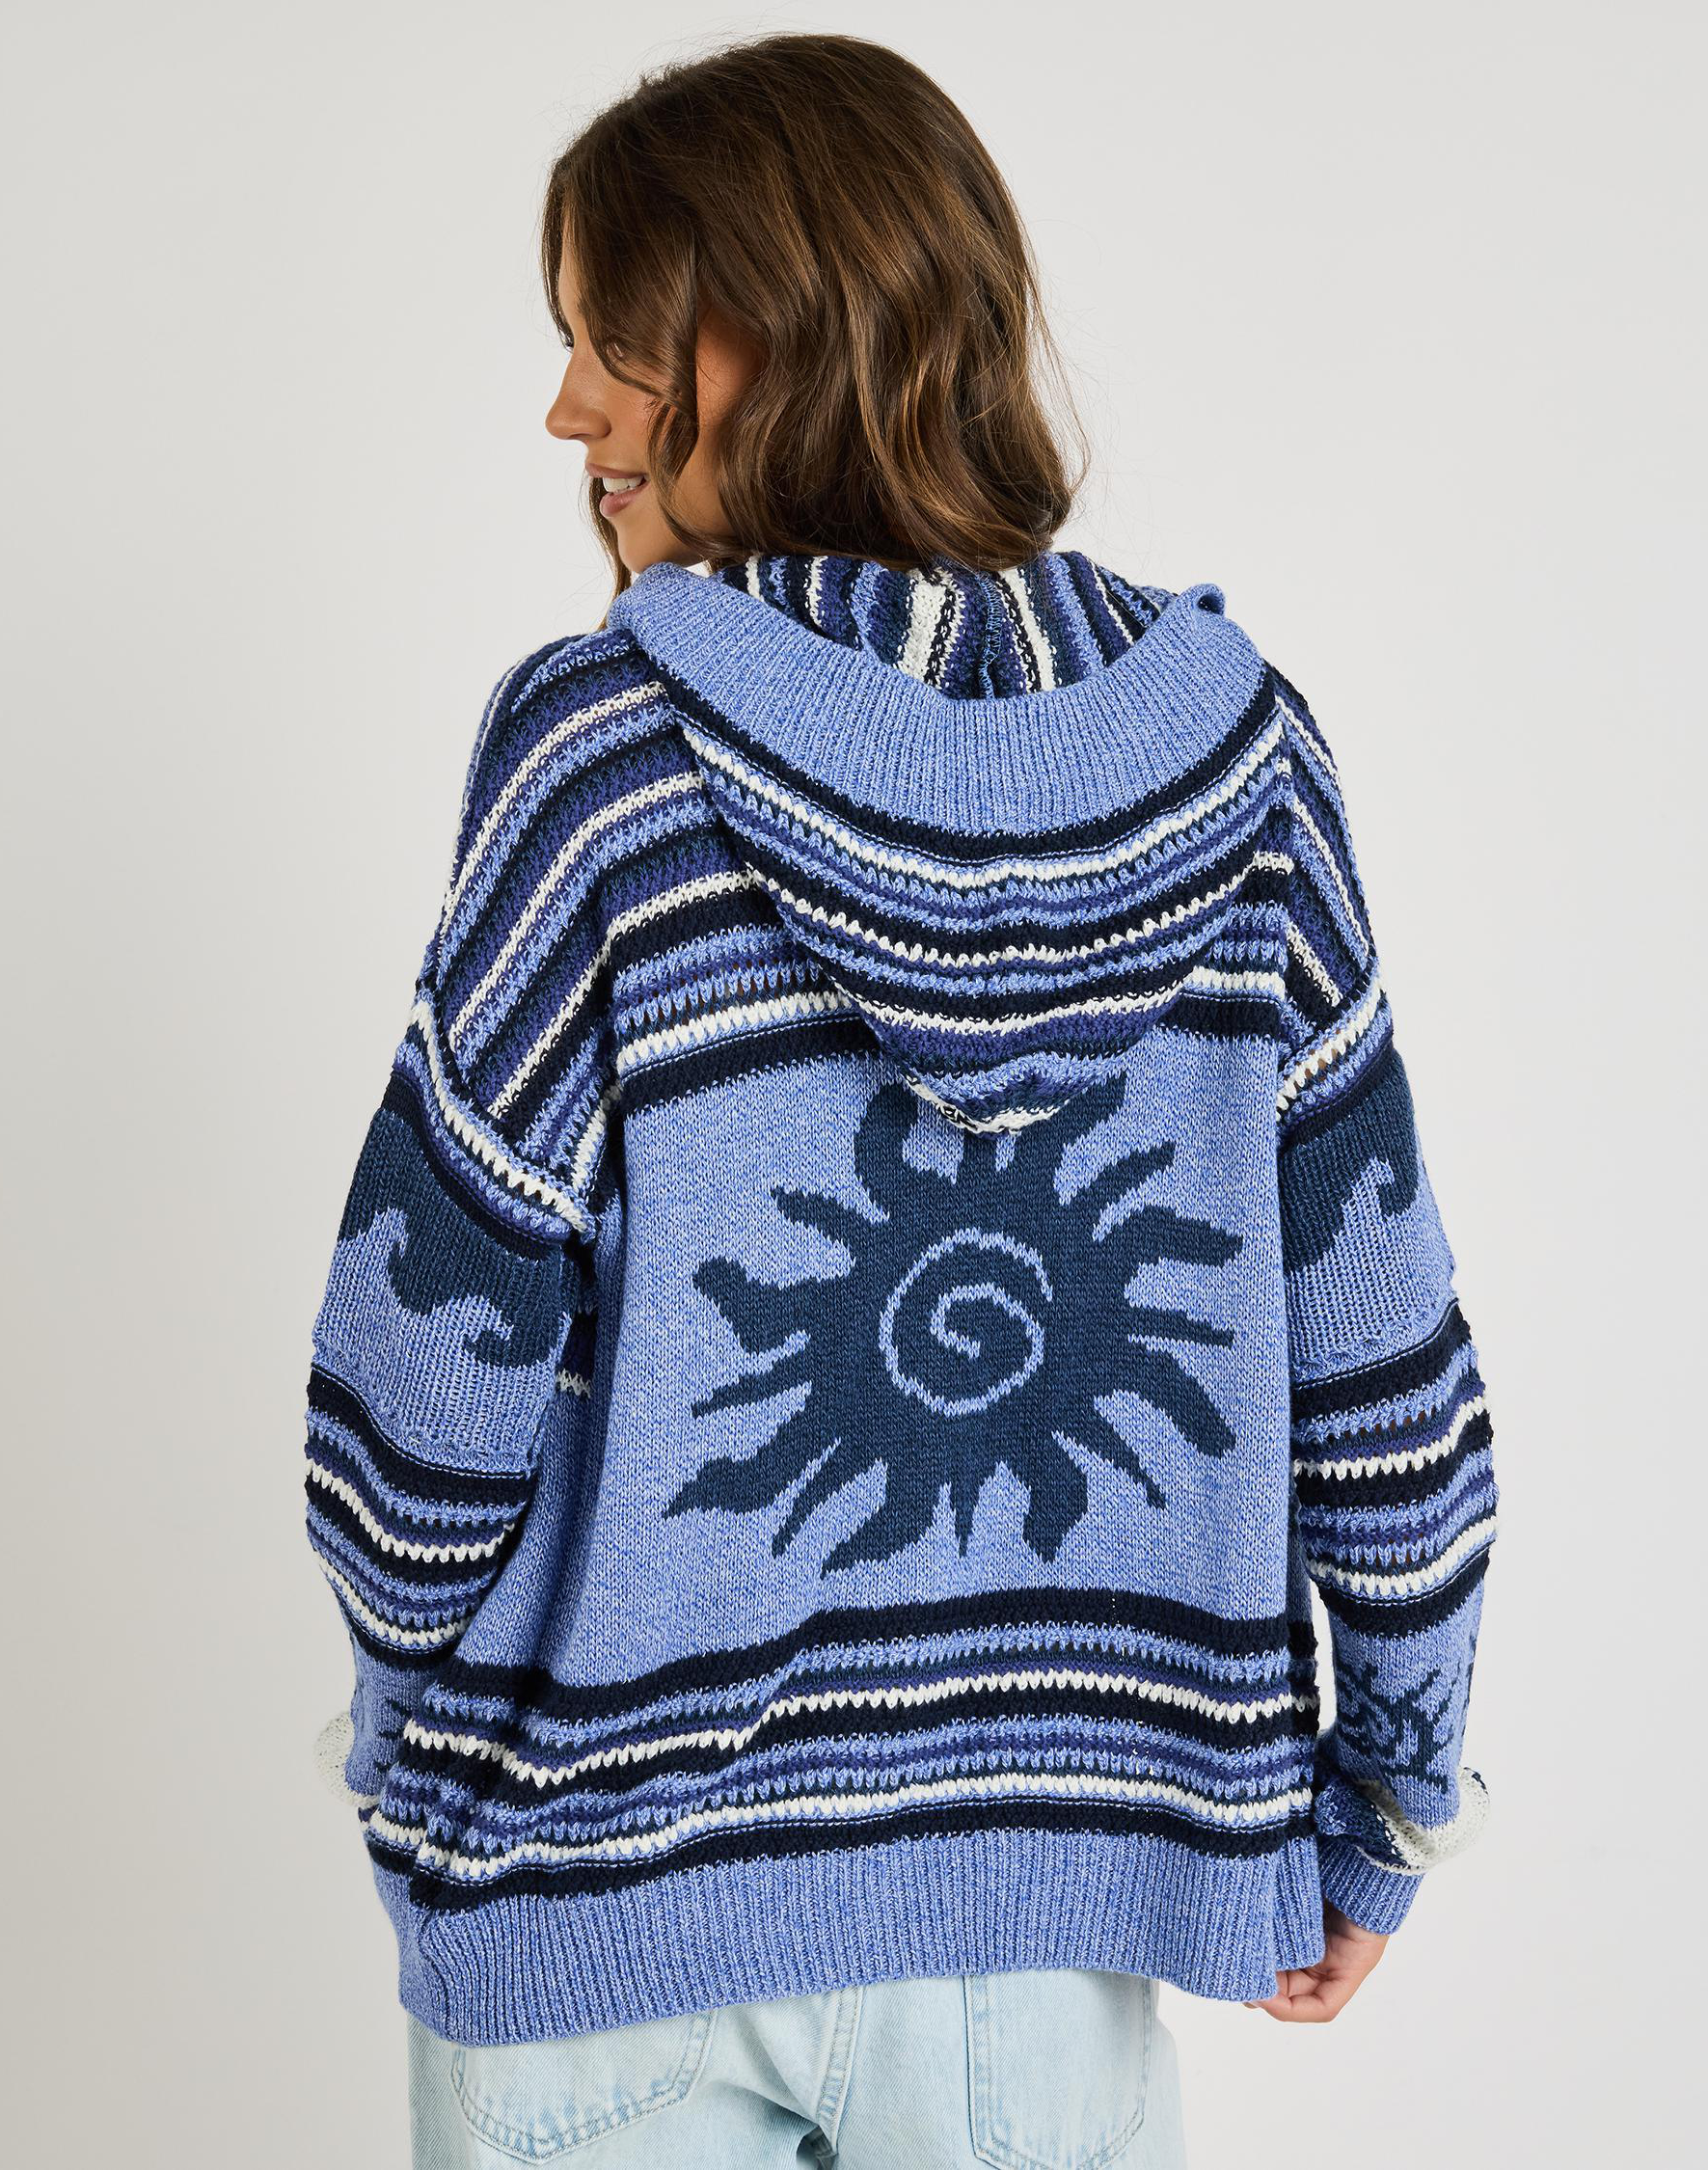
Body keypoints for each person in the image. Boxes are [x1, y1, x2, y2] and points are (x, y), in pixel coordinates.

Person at [302, 32, 1498, 2169]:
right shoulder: (1245, 767)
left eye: (617, 343)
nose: (568, 409)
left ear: (776, 342)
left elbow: (425, 1367)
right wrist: (1391, 1795)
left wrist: (410, 1722)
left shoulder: (599, 763)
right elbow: (1381, 1352)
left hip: (598, 1906)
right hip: (1050, 1928)